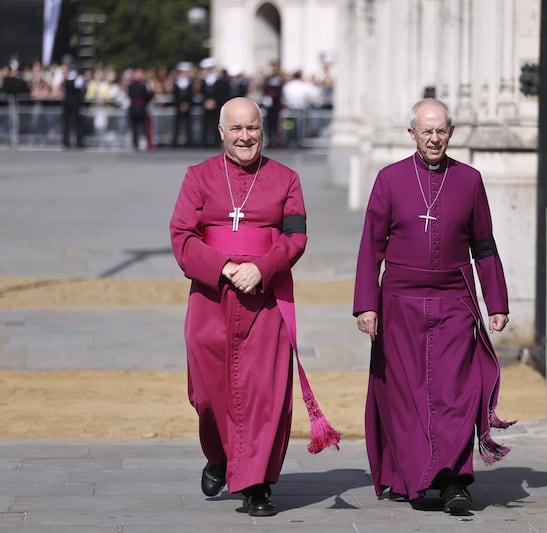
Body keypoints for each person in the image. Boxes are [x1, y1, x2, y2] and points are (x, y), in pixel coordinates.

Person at [170, 97, 340, 518]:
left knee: (264, 394)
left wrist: (262, 270)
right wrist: (225, 267)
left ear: (263, 131)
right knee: (208, 396)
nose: (246, 137)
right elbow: (182, 236)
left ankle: (257, 484)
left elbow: (296, 236)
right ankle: (220, 454)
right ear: (221, 133)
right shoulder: (198, 176)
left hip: (266, 299)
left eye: (253, 129)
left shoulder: (286, 178)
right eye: (237, 129)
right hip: (211, 297)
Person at [353, 98, 514, 514]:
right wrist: (365, 305)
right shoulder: (389, 179)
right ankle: (416, 475)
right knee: (407, 395)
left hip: (454, 300)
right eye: (426, 131)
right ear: (412, 134)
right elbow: (371, 247)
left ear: (451, 133)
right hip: (400, 302)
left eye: (441, 130)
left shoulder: (470, 180)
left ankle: (454, 481)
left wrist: (496, 301)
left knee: (458, 392)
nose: (434, 138)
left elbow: (484, 244)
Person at [127, 67, 153, 150]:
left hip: (133, 108)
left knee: (135, 127)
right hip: (141, 108)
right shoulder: (142, 86)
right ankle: (147, 143)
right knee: (143, 127)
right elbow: (147, 97)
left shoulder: (130, 86)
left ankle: (135, 144)